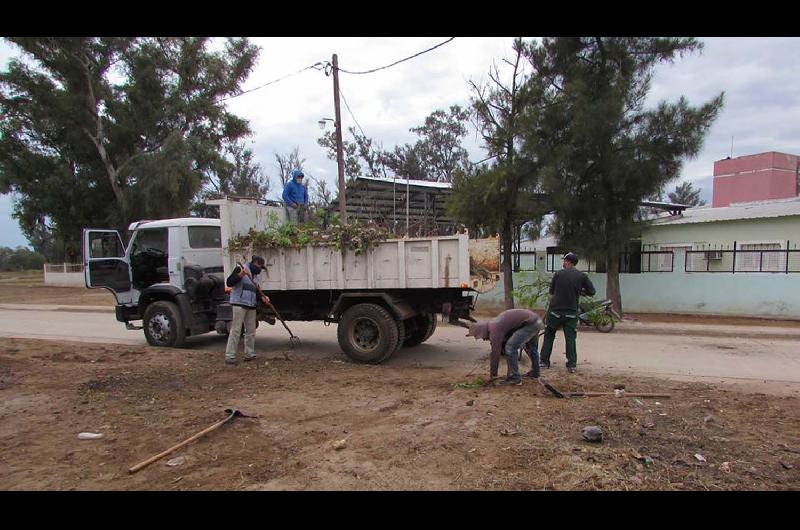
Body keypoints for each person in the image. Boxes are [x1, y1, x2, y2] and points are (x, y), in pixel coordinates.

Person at [539, 252, 596, 374]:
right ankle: (571, 365)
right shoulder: (582, 276)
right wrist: (581, 292)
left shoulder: (558, 274)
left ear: (568, 262)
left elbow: (552, 292)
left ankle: (544, 362)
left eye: (564, 260)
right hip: (571, 313)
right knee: (570, 339)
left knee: (549, 335)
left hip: (555, 312)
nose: (563, 262)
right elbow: (592, 292)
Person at [467, 308, 543, 386]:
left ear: (482, 331)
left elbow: (495, 353)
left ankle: (515, 378)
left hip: (530, 324)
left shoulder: (494, 330)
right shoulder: (494, 324)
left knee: (510, 347)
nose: (484, 339)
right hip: (536, 321)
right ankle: (535, 372)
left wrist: (493, 373)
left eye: (482, 337)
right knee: (531, 348)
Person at [224, 256, 270, 365]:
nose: (260, 269)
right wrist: (240, 275)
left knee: (250, 331)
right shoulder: (240, 269)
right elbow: (229, 282)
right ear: (255, 263)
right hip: (239, 303)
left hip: (251, 304)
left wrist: (263, 297)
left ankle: (249, 354)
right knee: (236, 330)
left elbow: (256, 290)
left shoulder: (257, 276)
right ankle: (230, 356)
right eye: (260, 266)